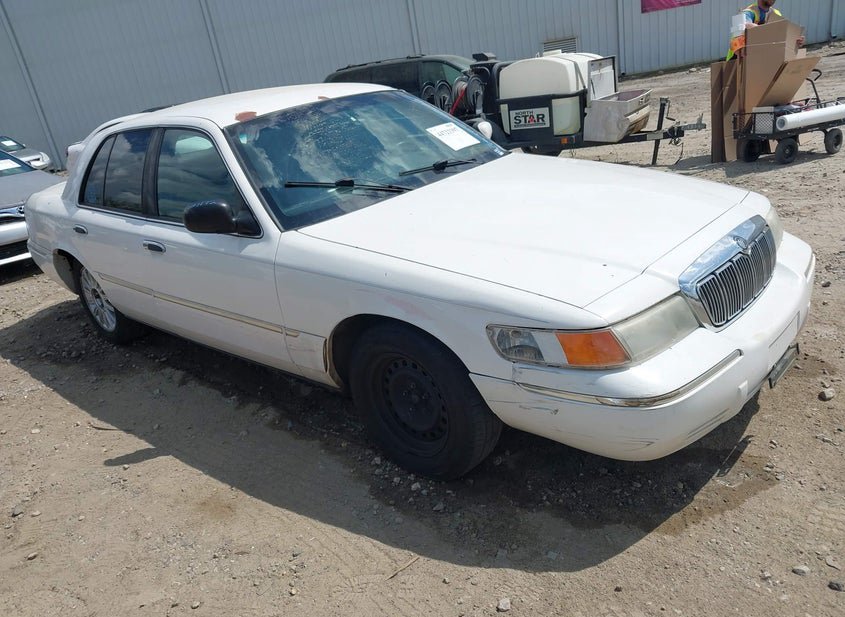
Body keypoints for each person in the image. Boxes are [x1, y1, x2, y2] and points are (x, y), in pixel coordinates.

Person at [726, 1, 805, 60]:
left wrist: (794, 40)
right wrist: (766, 31)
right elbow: (744, 25)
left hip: (763, 60)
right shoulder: (749, 12)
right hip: (737, 62)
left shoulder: (776, 14)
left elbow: (781, 36)